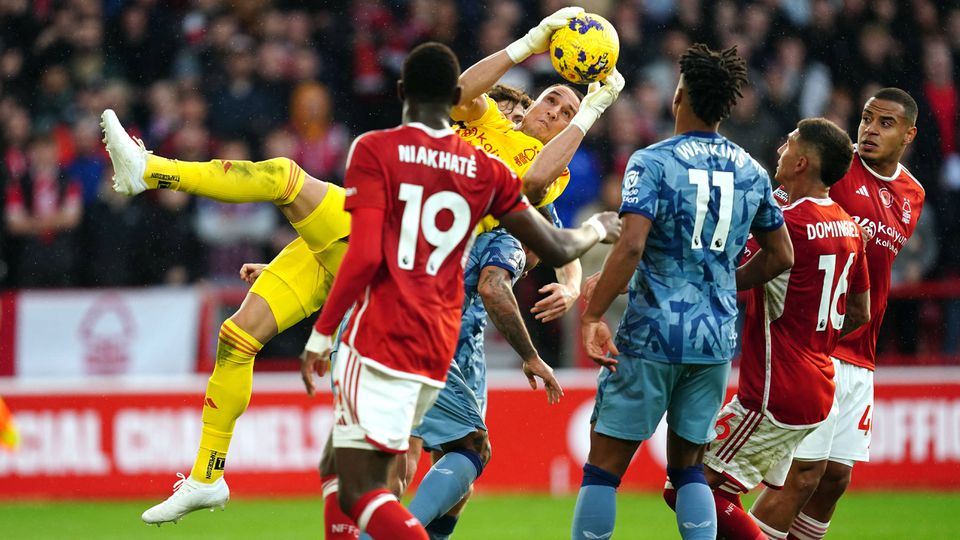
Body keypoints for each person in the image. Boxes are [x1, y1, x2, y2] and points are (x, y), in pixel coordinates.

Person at [298, 42, 620, 539]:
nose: (551, 112)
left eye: (566, 111)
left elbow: (359, 246)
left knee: (353, 468)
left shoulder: (375, 149)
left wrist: (320, 327)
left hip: (372, 323)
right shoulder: (489, 174)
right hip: (427, 328)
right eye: (549, 102)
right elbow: (544, 229)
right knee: (461, 452)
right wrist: (598, 226)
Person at [571, 43, 794, 540]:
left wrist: (593, 314)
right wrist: (720, 284)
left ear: (680, 96)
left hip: (652, 334)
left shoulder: (651, 162)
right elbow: (782, 256)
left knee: (603, 469)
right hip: (713, 339)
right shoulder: (752, 170)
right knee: (690, 469)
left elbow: (630, 246)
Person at [102, 112, 353, 525]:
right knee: (236, 338)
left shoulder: (489, 146)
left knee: (282, 176)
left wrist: (505, 56)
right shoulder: (458, 137)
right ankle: (206, 477)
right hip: (334, 248)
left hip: (377, 240)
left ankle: (150, 170)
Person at [664, 118, 871, 539]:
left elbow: (731, 273)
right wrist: (813, 333)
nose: (780, 148)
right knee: (719, 487)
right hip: (815, 383)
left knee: (686, 486)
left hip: (775, 392)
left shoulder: (787, 224)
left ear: (802, 162)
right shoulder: (850, 227)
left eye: (788, 142)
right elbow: (860, 311)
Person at [749, 88, 926, 540]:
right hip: (815, 349)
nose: (869, 129)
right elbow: (775, 216)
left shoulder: (914, 193)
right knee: (799, 478)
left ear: (909, 135)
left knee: (833, 480)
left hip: (862, 350)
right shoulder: (833, 165)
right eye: (867, 118)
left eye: (885, 123)